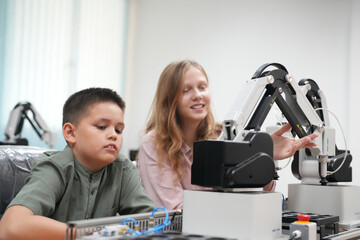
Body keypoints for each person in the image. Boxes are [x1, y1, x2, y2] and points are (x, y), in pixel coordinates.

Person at [137, 59, 318, 210]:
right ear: (169, 100)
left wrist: (263, 156)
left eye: (202, 87)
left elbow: (259, 196)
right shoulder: (154, 144)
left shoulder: (224, 135)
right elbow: (177, 212)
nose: (198, 95)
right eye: (186, 90)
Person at [0, 88, 155, 240]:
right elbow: (11, 227)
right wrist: (94, 234)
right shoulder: (54, 167)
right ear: (70, 133)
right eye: (102, 127)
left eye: (119, 130)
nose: (113, 135)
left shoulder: (122, 168)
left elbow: (154, 221)